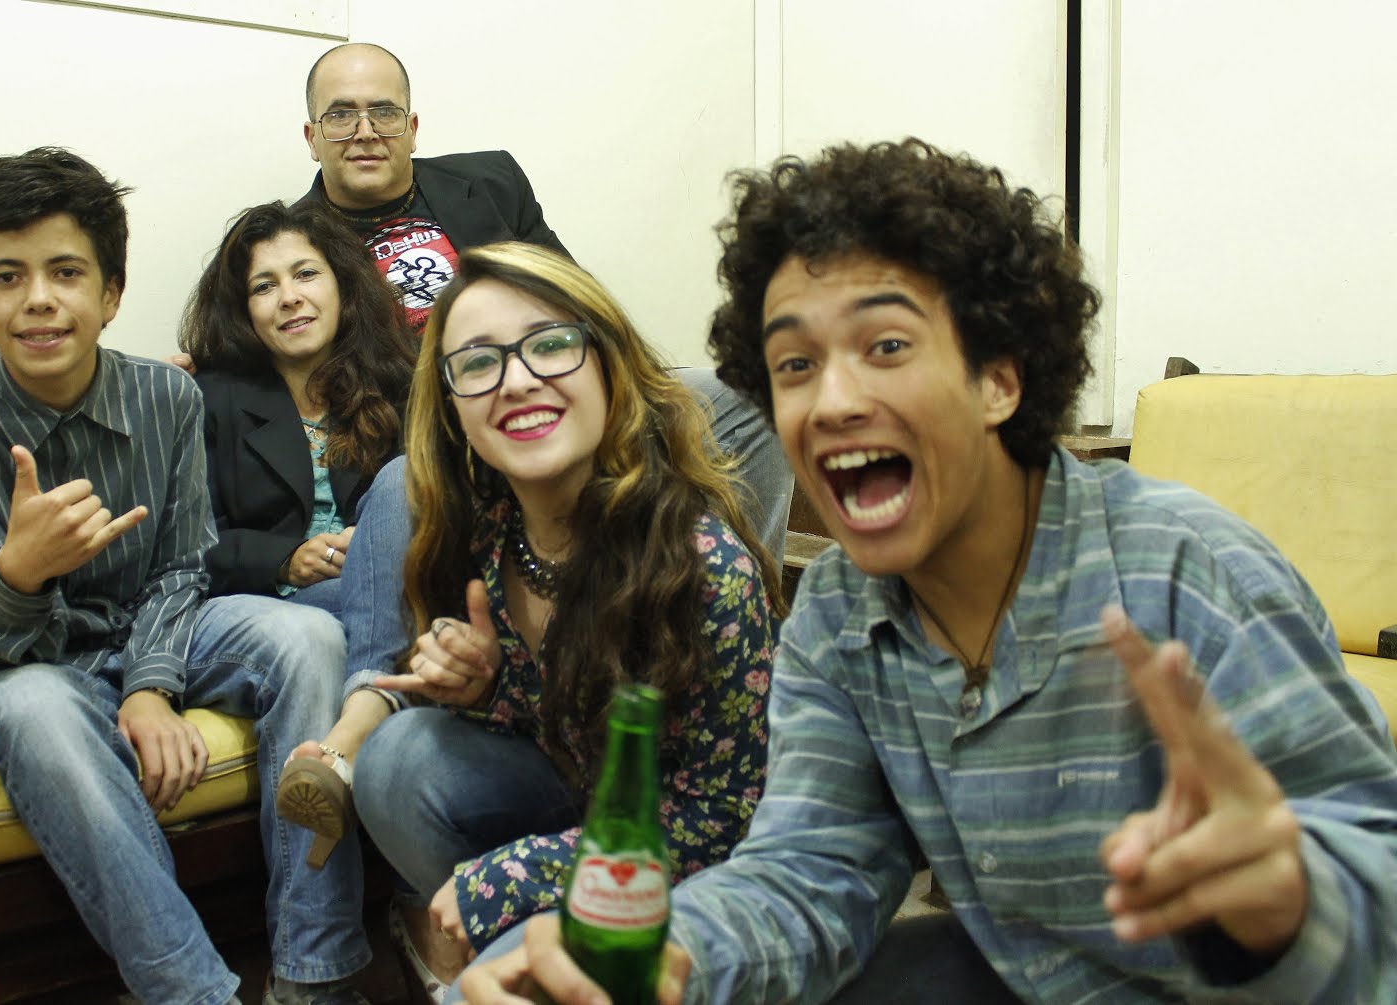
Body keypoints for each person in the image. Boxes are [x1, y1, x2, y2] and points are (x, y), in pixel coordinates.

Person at [459, 139, 1397, 1004]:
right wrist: (673, 952)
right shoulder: (836, 611)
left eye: (888, 346)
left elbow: (1376, 896)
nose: (830, 400)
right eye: (793, 363)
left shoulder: (1190, 570)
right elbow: (812, 870)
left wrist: (1288, 903)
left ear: (1001, 376)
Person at [0, 148, 371, 1005]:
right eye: (8, 277)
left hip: (168, 634)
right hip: (34, 666)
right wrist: (21, 571)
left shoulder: (169, 398)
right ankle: (192, 993)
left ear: (110, 293)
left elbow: (183, 564)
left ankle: (315, 974)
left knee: (308, 632)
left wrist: (150, 687)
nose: (39, 298)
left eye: (66, 272)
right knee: (30, 707)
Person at [346, 241, 782, 1004]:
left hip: (699, 869)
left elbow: (723, 820)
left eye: (551, 345)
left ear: (608, 366)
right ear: (452, 408)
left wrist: (517, 874)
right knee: (395, 755)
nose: (517, 380)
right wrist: (486, 687)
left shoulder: (703, 567)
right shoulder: (484, 532)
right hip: (581, 811)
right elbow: (569, 726)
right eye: (478, 363)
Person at [295, 42, 794, 559]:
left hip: (550, 381)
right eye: (341, 115)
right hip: (433, 432)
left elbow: (575, 300)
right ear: (312, 138)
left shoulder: (489, 181)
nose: (366, 132)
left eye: (384, 112)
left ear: (412, 127)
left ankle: (747, 605)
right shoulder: (293, 246)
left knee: (744, 397)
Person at [178, 200, 420, 868]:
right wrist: (288, 556)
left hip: (379, 593)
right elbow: (184, 546)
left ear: (342, 284)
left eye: (306, 274)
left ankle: (365, 714)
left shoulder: (398, 384)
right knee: (423, 626)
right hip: (273, 609)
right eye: (264, 285)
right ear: (244, 308)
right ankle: (376, 700)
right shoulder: (209, 397)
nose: (289, 298)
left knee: (403, 480)